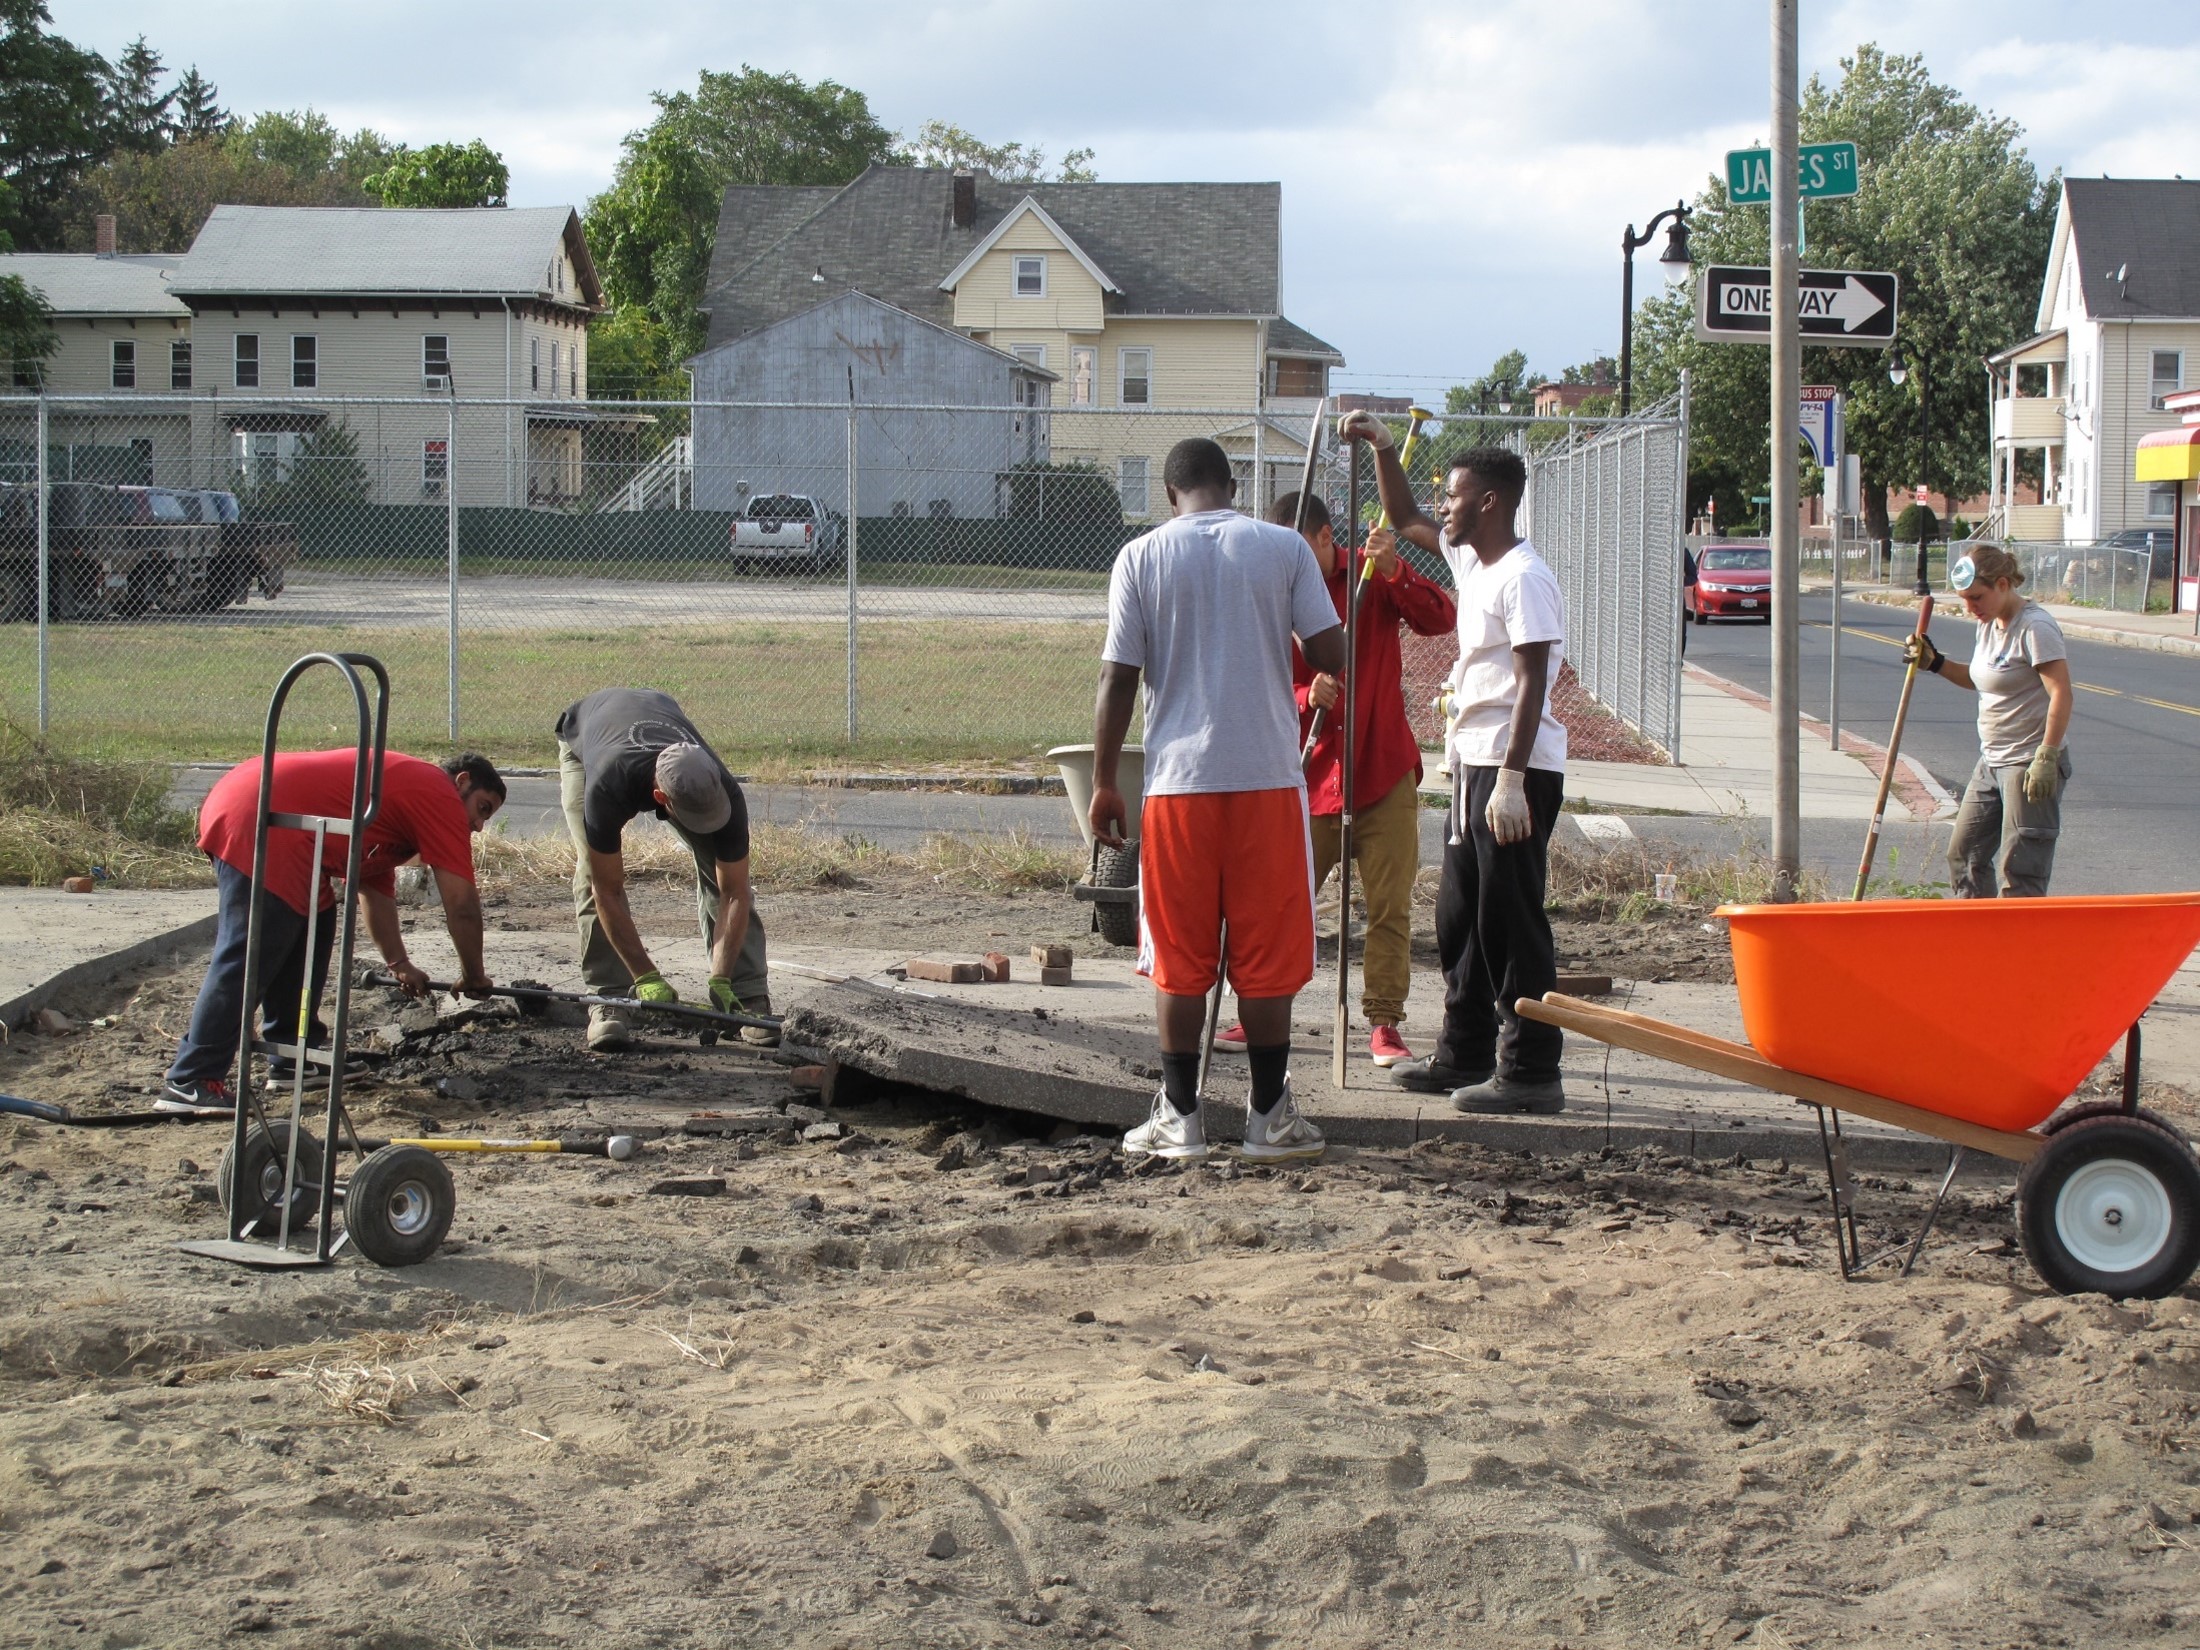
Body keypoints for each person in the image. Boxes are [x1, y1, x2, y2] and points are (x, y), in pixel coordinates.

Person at [1090, 437, 1346, 1161]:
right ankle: (1268, 1119)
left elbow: (1117, 678)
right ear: (1232, 487)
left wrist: (1106, 781)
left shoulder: (1141, 557)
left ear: (1171, 495)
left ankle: (1180, 1118)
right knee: (1266, 959)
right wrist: (1294, 597)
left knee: (1178, 957)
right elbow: (1331, 654)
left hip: (1179, 786)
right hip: (1268, 782)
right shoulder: (1283, 547)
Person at [1340, 416, 1570, 1115]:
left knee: (1510, 919)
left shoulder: (1524, 578)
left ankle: (1531, 1070)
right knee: (1459, 915)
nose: (1443, 505)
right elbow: (1404, 513)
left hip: (1513, 769)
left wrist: (1512, 781)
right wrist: (1385, 446)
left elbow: (1532, 683)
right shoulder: (1475, 563)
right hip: (1473, 765)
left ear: (1490, 502)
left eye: (1455, 494)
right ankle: (1463, 1050)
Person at [1213, 492, 1455, 1067]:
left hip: (1382, 771)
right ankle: (1260, 1011)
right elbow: (1254, 678)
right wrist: (1304, 694)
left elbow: (1441, 618)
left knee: (1388, 906)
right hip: (1310, 776)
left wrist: (1396, 573)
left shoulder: (1371, 573)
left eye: (1298, 549)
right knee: (1281, 902)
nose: (1288, 562)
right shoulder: (1274, 587)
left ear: (1326, 538)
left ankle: (1384, 1023)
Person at [160, 751, 505, 1113]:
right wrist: (473, 975)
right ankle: (191, 1079)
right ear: (462, 782)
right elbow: (462, 906)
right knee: (250, 954)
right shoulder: (439, 795)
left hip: (267, 808)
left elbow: (374, 889)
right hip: (262, 813)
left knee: (315, 928)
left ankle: (294, 1058)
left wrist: (399, 963)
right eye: (482, 808)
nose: (479, 826)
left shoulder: (404, 803)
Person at [556, 688, 771, 1051]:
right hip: (587, 736)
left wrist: (721, 977)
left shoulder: (721, 787)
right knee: (592, 874)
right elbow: (607, 891)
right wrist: (646, 975)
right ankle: (610, 998)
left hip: (655, 715)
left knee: (719, 868)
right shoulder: (607, 785)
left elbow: (734, 891)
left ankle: (746, 993)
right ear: (660, 799)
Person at [1903, 544, 2073, 897]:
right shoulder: (1989, 624)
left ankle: (2016, 933)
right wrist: (1935, 663)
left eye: (1976, 597)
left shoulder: (2035, 627)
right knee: (1964, 857)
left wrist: (2047, 755)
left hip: (2028, 763)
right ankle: (1977, 928)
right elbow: (1983, 679)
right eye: (1964, 599)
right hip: (1992, 761)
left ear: (2002, 584)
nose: (1970, 608)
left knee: (2021, 870)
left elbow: (2061, 693)